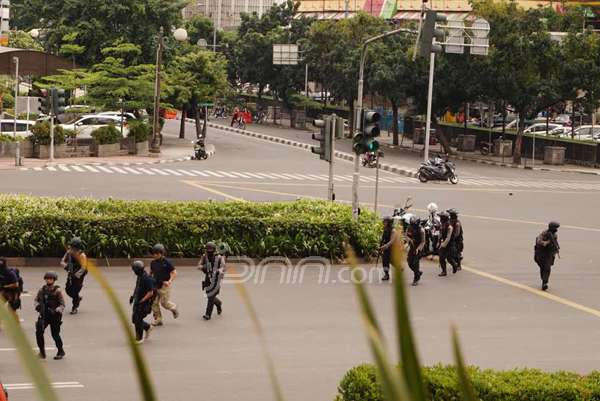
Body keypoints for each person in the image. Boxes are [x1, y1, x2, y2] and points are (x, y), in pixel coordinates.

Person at [34, 271, 65, 360]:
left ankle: (60, 351)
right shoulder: (42, 290)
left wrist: (57, 310)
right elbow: (36, 300)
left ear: (54, 280)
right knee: (39, 332)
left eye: (50, 279)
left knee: (55, 334)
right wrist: (37, 306)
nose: (48, 280)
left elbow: (62, 304)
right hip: (44, 315)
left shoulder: (57, 291)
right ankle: (42, 352)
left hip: (55, 316)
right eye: (47, 278)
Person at [150, 244, 179, 326]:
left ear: (161, 253)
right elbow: (151, 273)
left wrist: (169, 281)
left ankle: (173, 308)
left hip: (164, 286)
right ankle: (158, 319)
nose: (155, 255)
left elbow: (174, 272)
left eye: (157, 253)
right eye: (153, 253)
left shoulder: (167, 262)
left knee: (164, 303)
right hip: (155, 285)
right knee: (153, 303)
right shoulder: (153, 263)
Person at [129, 261, 155, 344]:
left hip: (144, 302)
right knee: (134, 319)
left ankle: (139, 338)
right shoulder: (140, 276)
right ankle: (147, 327)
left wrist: (142, 300)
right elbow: (137, 287)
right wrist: (133, 297)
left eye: (134, 271)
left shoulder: (146, 278)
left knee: (138, 320)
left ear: (138, 270)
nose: (134, 272)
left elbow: (150, 292)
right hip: (137, 300)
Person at [60, 237, 88, 315]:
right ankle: (77, 298)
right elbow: (62, 261)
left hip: (79, 275)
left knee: (75, 290)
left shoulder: (82, 255)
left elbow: (83, 267)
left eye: (73, 247)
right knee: (68, 289)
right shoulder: (69, 253)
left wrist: (76, 275)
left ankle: (75, 307)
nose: (71, 248)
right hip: (70, 272)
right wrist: (66, 266)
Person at [199, 242, 225, 320]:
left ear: (214, 250)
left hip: (216, 279)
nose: (209, 252)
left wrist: (219, 270)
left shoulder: (219, 257)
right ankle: (218, 303)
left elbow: (223, 267)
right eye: (208, 250)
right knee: (209, 296)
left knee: (210, 296)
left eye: (211, 251)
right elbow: (199, 266)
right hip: (208, 278)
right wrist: (204, 267)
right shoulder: (204, 257)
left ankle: (208, 314)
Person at [535, 222, 561, 291]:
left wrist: (555, 250)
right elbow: (538, 240)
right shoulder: (544, 233)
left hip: (548, 254)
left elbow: (555, 243)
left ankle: (545, 283)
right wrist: (546, 243)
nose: (556, 229)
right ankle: (544, 280)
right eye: (555, 228)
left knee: (547, 268)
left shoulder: (554, 235)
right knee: (543, 268)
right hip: (541, 253)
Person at [438, 212, 459, 276]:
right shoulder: (442, 225)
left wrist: (443, 245)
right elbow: (441, 234)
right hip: (444, 243)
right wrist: (438, 242)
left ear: (443, 218)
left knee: (449, 259)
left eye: (441, 218)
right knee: (441, 258)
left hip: (450, 244)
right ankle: (444, 271)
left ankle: (455, 265)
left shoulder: (449, 227)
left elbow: (448, 238)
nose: (440, 219)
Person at [406, 217, 425, 286]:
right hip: (412, 247)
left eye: (413, 224)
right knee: (409, 262)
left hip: (419, 248)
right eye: (411, 224)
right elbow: (407, 236)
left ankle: (416, 279)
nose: (412, 226)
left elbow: (423, 242)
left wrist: (418, 249)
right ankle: (418, 272)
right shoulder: (409, 227)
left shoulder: (421, 230)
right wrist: (409, 240)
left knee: (415, 263)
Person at [379, 216, 400, 281]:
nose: (384, 223)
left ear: (389, 223)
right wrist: (380, 244)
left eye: (385, 222)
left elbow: (392, 241)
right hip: (386, 248)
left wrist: (385, 246)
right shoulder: (385, 229)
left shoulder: (393, 230)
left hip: (392, 248)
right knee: (385, 261)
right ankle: (386, 274)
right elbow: (383, 238)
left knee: (392, 261)